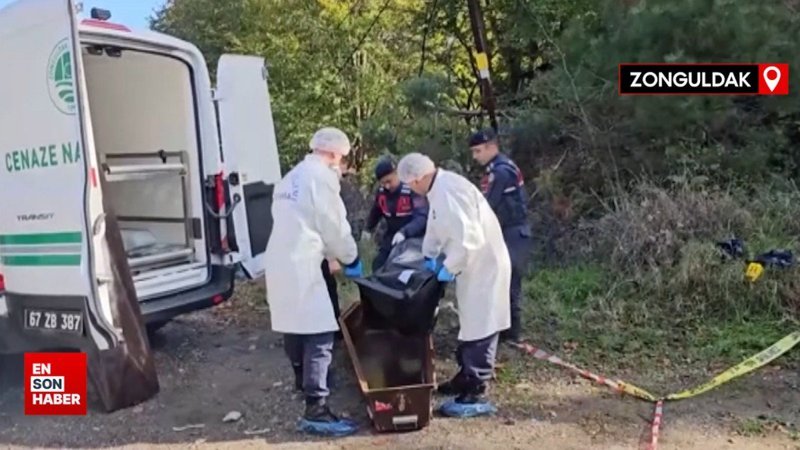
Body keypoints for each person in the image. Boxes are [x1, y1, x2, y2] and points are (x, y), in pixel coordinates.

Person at [264, 126, 363, 436]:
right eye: (342, 159)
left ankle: (301, 380)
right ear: (334, 154)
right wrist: (350, 256)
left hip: (281, 260)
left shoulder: (289, 178)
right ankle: (316, 409)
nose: (341, 166)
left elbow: (299, 221)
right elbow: (333, 225)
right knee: (320, 333)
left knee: (294, 325)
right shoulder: (320, 178)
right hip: (303, 263)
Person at [396, 152, 511, 418]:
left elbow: (469, 241)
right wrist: (429, 253)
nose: (412, 189)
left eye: (412, 184)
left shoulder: (450, 192)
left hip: (484, 266)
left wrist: (447, 269)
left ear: (421, 176)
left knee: (482, 324)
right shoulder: (438, 190)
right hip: (470, 268)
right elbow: (436, 226)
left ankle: (475, 390)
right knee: (470, 322)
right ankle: (465, 376)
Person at [469, 128, 532, 344]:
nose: (475, 156)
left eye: (478, 151)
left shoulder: (501, 171)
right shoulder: (498, 168)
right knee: (500, 280)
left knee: (510, 280)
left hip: (513, 233)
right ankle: (504, 329)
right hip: (506, 232)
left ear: (491, 147)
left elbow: (488, 205)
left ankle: (512, 333)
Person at [365, 156, 429, 272]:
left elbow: (422, 216)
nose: (387, 186)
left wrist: (404, 232)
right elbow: (377, 210)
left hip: (414, 238)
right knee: (378, 265)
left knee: (402, 270)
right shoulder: (382, 193)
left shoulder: (412, 190)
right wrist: (368, 229)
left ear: (397, 174)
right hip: (391, 236)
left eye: (389, 181)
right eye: (383, 183)